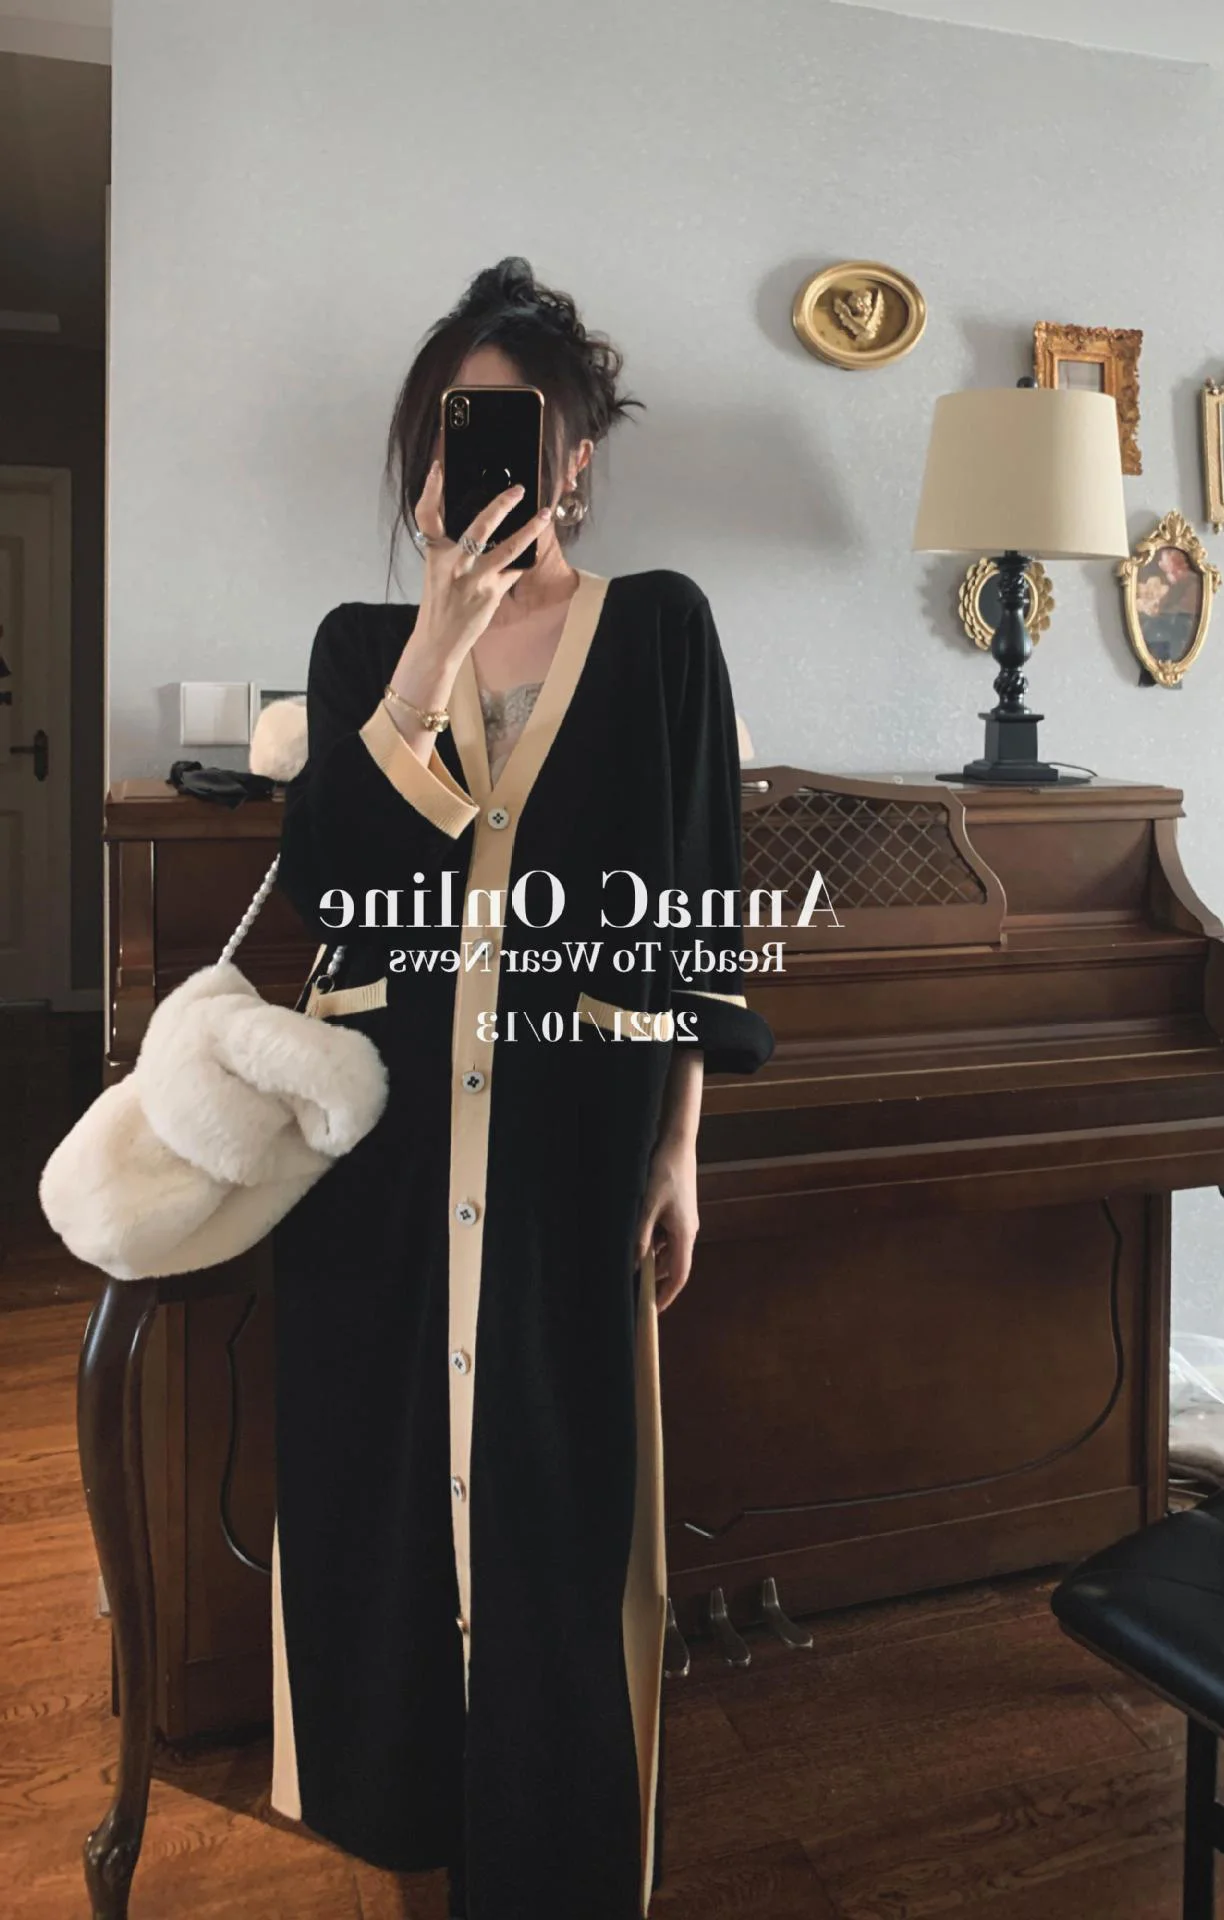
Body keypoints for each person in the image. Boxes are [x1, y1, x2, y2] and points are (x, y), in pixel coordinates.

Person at [268, 257, 775, 1920]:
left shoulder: (663, 630)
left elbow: (695, 909)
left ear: (574, 457)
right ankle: (410, 1840)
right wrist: (438, 641)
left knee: (560, 1519)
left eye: (510, 427)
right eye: (449, 427)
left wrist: (682, 1148)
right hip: (387, 1159)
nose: (473, 455)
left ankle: (552, 1867)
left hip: (571, 1148)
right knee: (389, 1509)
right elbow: (341, 888)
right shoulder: (362, 647)